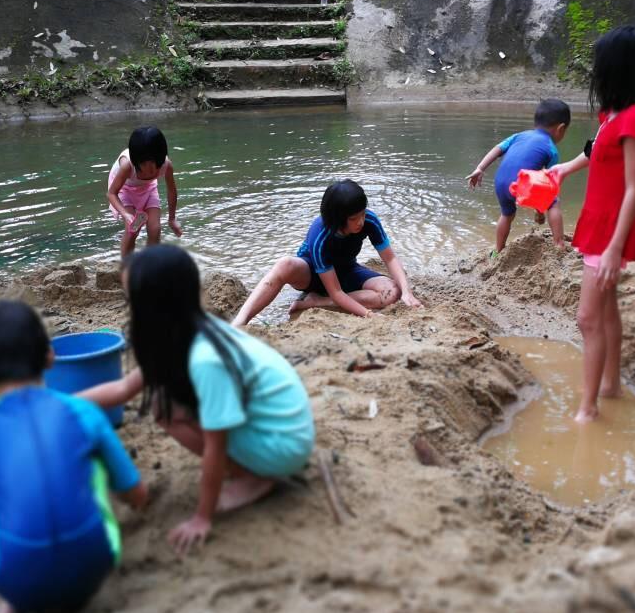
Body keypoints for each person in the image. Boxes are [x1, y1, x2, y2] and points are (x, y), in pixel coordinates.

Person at [80, 245, 315, 557]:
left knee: (165, 408)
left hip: (284, 443)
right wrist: (53, 402)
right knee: (163, 404)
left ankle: (254, 478)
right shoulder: (188, 327)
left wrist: (202, 518)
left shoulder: (206, 359)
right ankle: (249, 469)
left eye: (132, 299)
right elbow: (124, 389)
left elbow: (216, 444)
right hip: (279, 424)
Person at [0, 300, 148, 613]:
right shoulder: (84, 412)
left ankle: (12, 601)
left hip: (14, 583)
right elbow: (137, 495)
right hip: (96, 567)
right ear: (50, 356)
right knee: (87, 459)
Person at [547, 26, 635, 423]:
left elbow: (633, 189)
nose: (596, 73)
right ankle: (610, 385)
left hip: (611, 230)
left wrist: (614, 247)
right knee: (606, 310)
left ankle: (587, 410)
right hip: (599, 223)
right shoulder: (613, 113)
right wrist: (564, 169)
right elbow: (596, 151)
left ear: (619, 69)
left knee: (587, 317)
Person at [232, 179, 422, 326]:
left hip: (346, 270)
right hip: (311, 274)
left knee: (392, 292)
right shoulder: (320, 233)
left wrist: (407, 293)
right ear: (338, 218)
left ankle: (318, 301)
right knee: (284, 264)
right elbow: (337, 292)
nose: (361, 221)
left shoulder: (370, 221)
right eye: (354, 218)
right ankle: (240, 322)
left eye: (363, 214)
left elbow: (390, 258)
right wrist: (369, 315)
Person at [466, 98, 571, 254]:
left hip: (500, 181)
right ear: (561, 129)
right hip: (521, 183)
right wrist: (540, 210)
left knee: (507, 214)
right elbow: (548, 184)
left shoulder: (518, 136)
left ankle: (498, 250)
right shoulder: (551, 148)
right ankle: (559, 244)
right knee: (554, 202)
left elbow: (498, 149)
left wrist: (480, 168)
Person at [107, 125, 182, 257]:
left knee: (155, 229)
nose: (150, 170)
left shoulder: (166, 165)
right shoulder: (126, 166)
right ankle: (127, 266)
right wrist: (125, 214)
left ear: (161, 157)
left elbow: (171, 191)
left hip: (148, 188)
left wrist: (172, 219)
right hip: (125, 189)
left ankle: (149, 264)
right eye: (144, 164)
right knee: (133, 230)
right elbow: (111, 193)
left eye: (154, 164)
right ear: (136, 161)